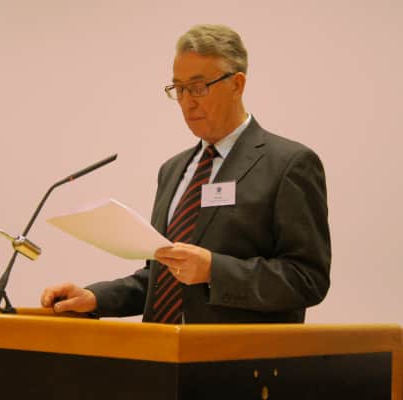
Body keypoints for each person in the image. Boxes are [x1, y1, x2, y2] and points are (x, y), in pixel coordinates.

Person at [40, 24, 331, 323]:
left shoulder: (288, 164)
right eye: (179, 89)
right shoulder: (173, 170)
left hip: (237, 351)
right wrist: (96, 298)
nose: (188, 102)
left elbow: (307, 279)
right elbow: (162, 278)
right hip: (161, 348)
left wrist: (215, 271)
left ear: (237, 84)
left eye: (199, 87)